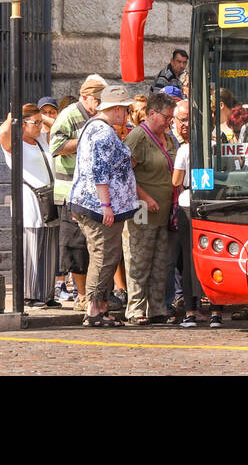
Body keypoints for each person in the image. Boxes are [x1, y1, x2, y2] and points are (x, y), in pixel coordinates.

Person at [70, 85, 140, 326]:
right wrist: (106, 205)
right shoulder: (102, 132)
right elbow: (100, 171)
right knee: (103, 256)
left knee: (106, 255)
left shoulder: (96, 128)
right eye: (126, 109)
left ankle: (100, 307)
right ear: (117, 109)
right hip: (99, 207)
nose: (127, 114)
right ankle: (93, 309)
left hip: (96, 204)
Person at [49, 75, 107, 312]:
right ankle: (81, 295)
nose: (100, 105)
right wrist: (84, 139)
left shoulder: (98, 116)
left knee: (94, 246)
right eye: (97, 100)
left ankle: (95, 295)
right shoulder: (70, 114)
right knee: (76, 245)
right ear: (85, 97)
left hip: (93, 192)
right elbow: (56, 146)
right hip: (70, 191)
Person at [0, 104, 60, 308]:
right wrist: (12, 116)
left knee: (49, 248)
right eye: (36, 123)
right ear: (22, 125)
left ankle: (47, 294)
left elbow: (57, 125)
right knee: (32, 248)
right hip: (30, 200)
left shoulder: (41, 139)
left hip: (48, 199)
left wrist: (40, 118)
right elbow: (2, 133)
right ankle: (30, 295)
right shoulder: (14, 144)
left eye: (41, 122)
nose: (41, 126)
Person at [123, 92, 175, 325]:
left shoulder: (169, 138)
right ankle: (135, 308)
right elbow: (124, 174)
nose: (169, 122)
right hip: (142, 211)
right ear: (152, 113)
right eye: (166, 117)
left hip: (164, 211)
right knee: (140, 259)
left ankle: (156, 308)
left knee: (160, 262)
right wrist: (144, 196)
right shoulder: (137, 138)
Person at [168, 100, 205, 326]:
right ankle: (215, 313)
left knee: (189, 258)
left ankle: (190, 312)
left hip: (188, 203)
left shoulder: (184, 149)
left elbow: (176, 180)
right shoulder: (212, 147)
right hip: (207, 203)